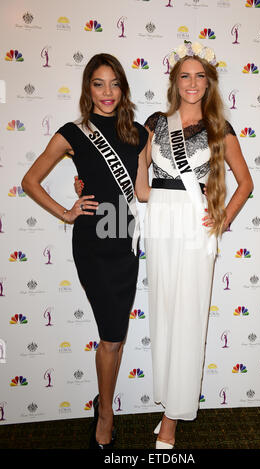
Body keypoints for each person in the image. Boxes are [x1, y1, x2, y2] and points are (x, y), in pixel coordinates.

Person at [21, 53, 149, 449]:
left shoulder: (140, 133)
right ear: (87, 88)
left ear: (123, 88)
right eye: (98, 83)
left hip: (127, 241)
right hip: (93, 244)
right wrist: (66, 211)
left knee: (117, 336)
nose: (107, 92)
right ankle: (106, 414)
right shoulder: (74, 132)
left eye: (114, 83)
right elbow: (30, 180)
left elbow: (143, 191)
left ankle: (103, 402)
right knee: (111, 334)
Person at [143, 41, 253, 449]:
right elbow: (140, 182)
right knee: (165, 314)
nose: (192, 82)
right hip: (160, 226)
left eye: (199, 76)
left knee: (188, 319)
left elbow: (246, 184)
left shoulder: (219, 128)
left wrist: (221, 219)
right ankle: (169, 399)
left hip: (193, 226)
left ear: (208, 84)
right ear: (175, 81)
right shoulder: (155, 123)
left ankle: (172, 419)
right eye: (184, 75)